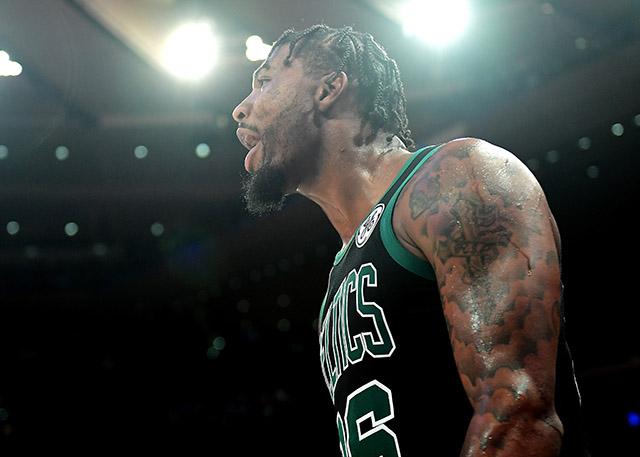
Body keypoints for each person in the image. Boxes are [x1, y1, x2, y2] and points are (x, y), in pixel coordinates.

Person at [232, 24, 588, 457]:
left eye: (265, 81)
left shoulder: (456, 177)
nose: (240, 110)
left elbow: (518, 414)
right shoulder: (338, 279)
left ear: (328, 90)